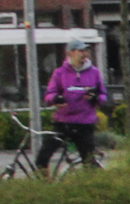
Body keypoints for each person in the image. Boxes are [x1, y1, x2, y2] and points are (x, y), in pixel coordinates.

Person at [39, 39, 108, 170]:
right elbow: (48, 95)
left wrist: (96, 98)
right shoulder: (59, 73)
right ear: (70, 53)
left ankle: (94, 186)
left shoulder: (94, 72)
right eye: (80, 51)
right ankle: (45, 185)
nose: (84, 54)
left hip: (84, 123)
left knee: (89, 161)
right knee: (42, 157)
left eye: (85, 51)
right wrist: (55, 99)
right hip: (63, 122)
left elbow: (103, 95)